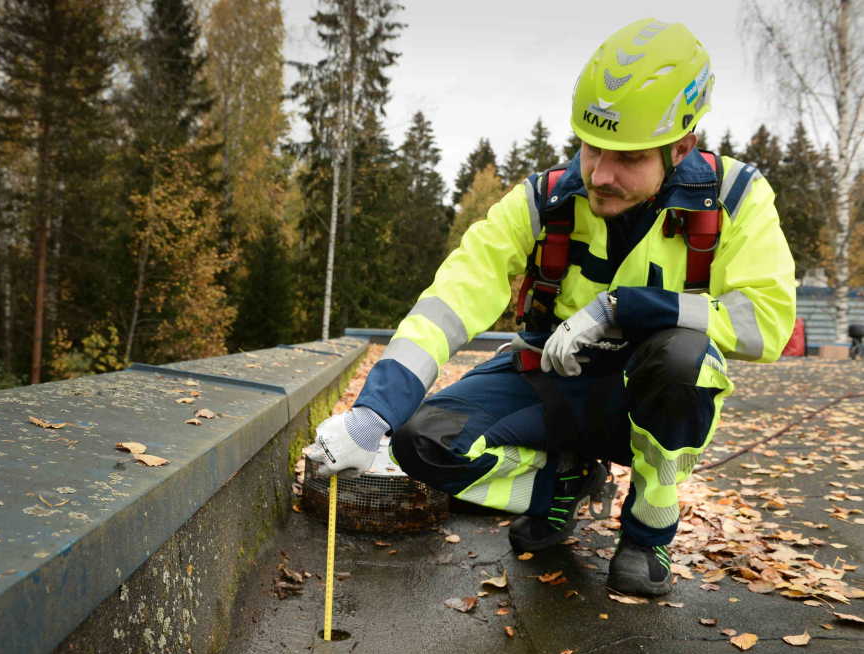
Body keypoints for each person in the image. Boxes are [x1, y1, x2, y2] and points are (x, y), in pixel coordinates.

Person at [303, 18, 795, 597]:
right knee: (420, 441)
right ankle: (564, 481)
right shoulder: (545, 199)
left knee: (685, 359)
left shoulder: (734, 198)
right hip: (551, 384)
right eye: (592, 148)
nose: (601, 175)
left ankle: (648, 529)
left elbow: (767, 321)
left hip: (649, 395)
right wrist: (373, 413)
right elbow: (453, 295)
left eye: (628, 157)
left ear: (681, 146)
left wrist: (627, 308)